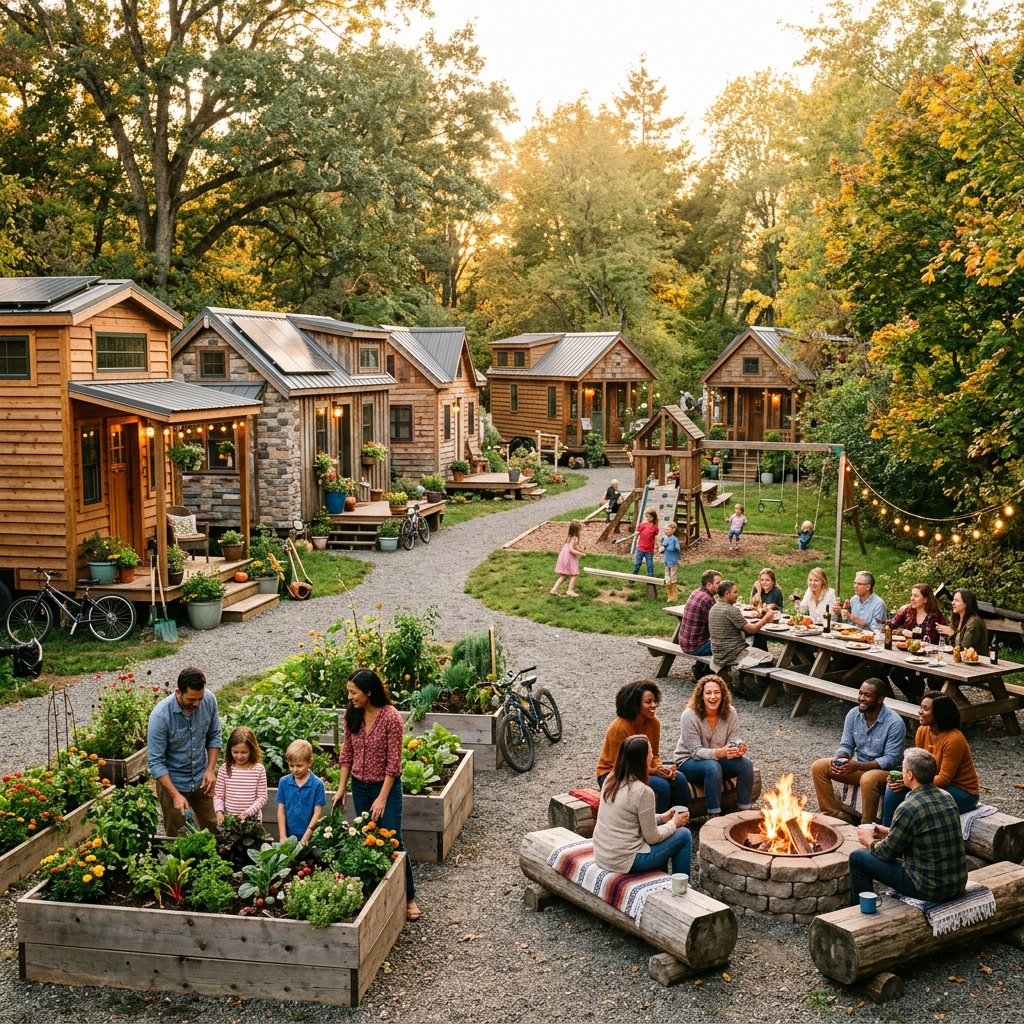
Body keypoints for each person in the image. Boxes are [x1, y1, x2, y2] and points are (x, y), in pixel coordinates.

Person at [333, 669, 419, 921]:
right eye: (349, 692)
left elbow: (394, 763)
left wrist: (382, 797)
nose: (350, 697)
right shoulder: (352, 715)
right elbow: (346, 753)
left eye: (353, 692)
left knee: (393, 840)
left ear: (369, 692)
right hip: (360, 787)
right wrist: (341, 788)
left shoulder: (391, 718)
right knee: (366, 840)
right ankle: (377, 898)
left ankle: (409, 898)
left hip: (387, 788)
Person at [849, 748, 968, 906]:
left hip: (927, 888)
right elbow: (923, 835)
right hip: (957, 884)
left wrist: (868, 840)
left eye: (903, 770)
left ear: (910, 775)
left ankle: (860, 912)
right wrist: (888, 832)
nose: (902, 773)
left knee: (857, 858)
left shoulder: (908, 807)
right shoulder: (947, 797)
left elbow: (887, 853)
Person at [810, 679, 905, 825]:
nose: (861, 698)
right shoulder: (853, 714)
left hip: (884, 773)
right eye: (860, 693)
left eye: (867, 695)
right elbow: (846, 745)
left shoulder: (895, 723)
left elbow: (891, 759)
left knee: (868, 778)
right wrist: (841, 757)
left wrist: (858, 766)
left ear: (880, 699)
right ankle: (833, 815)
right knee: (819, 767)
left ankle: (867, 825)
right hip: (860, 768)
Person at [593, 735, 692, 876]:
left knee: (665, 833)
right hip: (626, 860)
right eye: (650, 752)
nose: (652, 755)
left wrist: (663, 818)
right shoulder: (643, 792)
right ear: (643, 759)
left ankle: (661, 877)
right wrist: (674, 824)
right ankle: (682, 887)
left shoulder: (611, 779)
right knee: (684, 835)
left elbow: (629, 818)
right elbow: (652, 837)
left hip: (603, 855)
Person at [882, 691, 979, 826]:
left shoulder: (954, 739)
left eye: (925, 709)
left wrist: (908, 783)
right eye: (921, 707)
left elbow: (944, 779)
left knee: (916, 800)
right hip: (930, 783)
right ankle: (885, 832)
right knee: (893, 788)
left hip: (961, 792)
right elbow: (917, 766)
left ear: (939, 713)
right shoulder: (922, 731)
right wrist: (902, 779)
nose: (920, 712)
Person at [147, 666, 222, 834]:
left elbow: (214, 735)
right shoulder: (160, 717)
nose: (196, 703)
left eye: (199, 698)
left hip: (202, 778)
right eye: (191, 699)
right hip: (172, 782)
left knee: (216, 827)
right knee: (178, 834)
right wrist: (175, 795)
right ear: (178, 692)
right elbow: (156, 762)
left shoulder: (209, 700)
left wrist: (210, 770)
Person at [595, 681, 684, 814]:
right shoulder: (619, 727)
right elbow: (621, 767)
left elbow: (654, 754)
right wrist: (654, 771)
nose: (653, 705)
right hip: (614, 774)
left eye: (654, 701)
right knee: (661, 786)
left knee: (679, 778)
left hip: (644, 769)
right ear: (636, 705)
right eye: (648, 702)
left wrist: (661, 768)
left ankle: (678, 819)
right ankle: (655, 827)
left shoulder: (654, 723)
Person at [673, 674, 755, 816]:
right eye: (708, 693)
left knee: (746, 764)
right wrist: (720, 752)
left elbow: (733, 739)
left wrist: (738, 748)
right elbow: (695, 752)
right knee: (712, 766)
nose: (713, 697)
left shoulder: (730, 712)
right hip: (689, 762)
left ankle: (744, 811)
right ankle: (714, 815)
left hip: (717, 759)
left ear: (723, 694)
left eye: (717, 692)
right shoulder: (689, 715)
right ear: (701, 695)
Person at [708, 579, 774, 693]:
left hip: (717, 652)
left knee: (755, 650)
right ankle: (752, 683)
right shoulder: (731, 610)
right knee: (769, 658)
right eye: (735, 592)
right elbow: (752, 630)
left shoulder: (713, 608)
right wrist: (766, 618)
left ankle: (739, 677)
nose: (737, 595)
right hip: (733, 653)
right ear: (727, 594)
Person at [888, 583, 947, 702]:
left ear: (925, 599)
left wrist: (914, 635)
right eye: (912, 595)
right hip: (906, 655)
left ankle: (918, 698)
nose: (912, 598)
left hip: (929, 657)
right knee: (894, 672)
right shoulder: (907, 611)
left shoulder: (935, 615)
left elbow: (940, 638)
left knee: (917, 676)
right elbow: (889, 626)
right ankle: (912, 699)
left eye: (916, 596)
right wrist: (900, 631)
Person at [214, 726, 268, 828]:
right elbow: (218, 796)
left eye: (244, 752)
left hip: (252, 821)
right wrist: (219, 811)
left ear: (252, 750)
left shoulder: (258, 769)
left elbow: (262, 797)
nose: (239, 756)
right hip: (230, 821)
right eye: (235, 752)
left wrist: (248, 813)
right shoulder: (225, 768)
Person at [674, 569, 722, 682]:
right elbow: (719, 624)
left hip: (684, 642)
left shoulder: (696, 592)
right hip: (695, 647)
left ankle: (699, 668)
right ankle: (707, 674)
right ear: (709, 585)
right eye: (718, 583)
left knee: (712, 639)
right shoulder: (708, 600)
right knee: (727, 645)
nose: (721, 585)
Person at [276, 739, 326, 846]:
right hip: (288, 837)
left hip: (310, 837)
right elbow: (281, 810)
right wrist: (282, 836)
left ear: (310, 762)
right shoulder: (284, 782)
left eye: (299, 766)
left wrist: (306, 838)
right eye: (291, 765)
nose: (295, 770)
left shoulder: (317, 784)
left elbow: (317, 813)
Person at [936, 587, 988, 653]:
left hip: (976, 661)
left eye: (957, 600)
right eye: (953, 600)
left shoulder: (974, 621)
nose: (952, 603)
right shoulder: (957, 619)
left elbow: (964, 648)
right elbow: (953, 647)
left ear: (965, 604)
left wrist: (952, 634)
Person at [750, 568, 784, 652]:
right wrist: (758, 591)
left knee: (759, 631)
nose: (764, 582)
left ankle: (761, 657)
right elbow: (754, 605)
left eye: (767, 580)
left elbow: (763, 609)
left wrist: (759, 594)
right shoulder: (759, 589)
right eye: (762, 580)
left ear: (773, 581)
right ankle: (758, 655)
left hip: (774, 622)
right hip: (761, 620)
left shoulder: (776, 592)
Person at [551, 520, 586, 597]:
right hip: (569, 558)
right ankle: (570, 590)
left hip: (564, 556)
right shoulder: (574, 538)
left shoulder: (570, 537)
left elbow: (575, 546)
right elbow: (571, 549)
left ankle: (554, 589)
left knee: (564, 575)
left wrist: (581, 549)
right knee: (575, 574)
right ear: (577, 530)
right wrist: (580, 554)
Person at [633, 508, 660, 577]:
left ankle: (650, 581)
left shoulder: (655, 528)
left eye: (650, 517)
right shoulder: (642, 525)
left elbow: (656, 537)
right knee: (637, 564)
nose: (648, 518)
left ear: (653, 517)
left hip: (649, 550)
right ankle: (632, 579)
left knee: (650, 565)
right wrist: (635, 541)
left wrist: (658, 546)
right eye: (647, 516)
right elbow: (637, 534)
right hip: (640, 548)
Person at [660, 521, 681, 604]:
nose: (666, 531)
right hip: (666, 561)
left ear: (673, 530)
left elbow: (675, 548)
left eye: (668, 530)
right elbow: (662, 549)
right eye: (665, 529)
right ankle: (669, 596)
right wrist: (661, 548)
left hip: (673, 561)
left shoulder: (674, 539)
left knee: (673, 578)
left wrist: (667, 546)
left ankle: (674, 596)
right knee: (667, 578)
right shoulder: (664, 538)